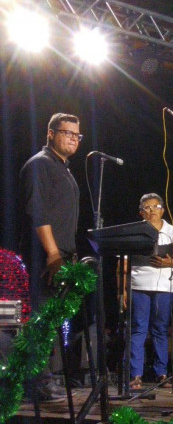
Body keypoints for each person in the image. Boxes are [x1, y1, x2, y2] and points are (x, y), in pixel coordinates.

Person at [19, 112, 82, 401]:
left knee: (53, 321)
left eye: (77, 135)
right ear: (50, 133)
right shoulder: (40, 164)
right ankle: (39, 383)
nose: (73, 138)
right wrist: (53, 252)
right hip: (44, 257)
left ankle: (49, 378)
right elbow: (37, 211)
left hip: (63, 257)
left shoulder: (64, 168)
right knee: (41, 321)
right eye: (67, 132)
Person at [128, 193, 173, 390]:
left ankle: (161, 372)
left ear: (162, 209)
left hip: (165, 286)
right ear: (140, 212)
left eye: (155, 206)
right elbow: (124, 261)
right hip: (139, 284)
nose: (151, 210)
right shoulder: (136, 231)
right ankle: (135, 374)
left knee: (161, 329)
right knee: (138, 328)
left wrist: (169, 262)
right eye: (147, 207)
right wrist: (122, 290)